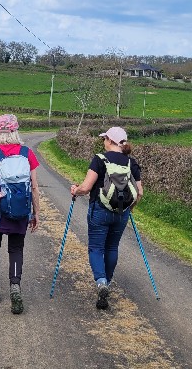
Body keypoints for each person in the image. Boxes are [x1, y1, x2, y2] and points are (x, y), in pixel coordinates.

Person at [70, 126, 143, 310]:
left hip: (99, 210)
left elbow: (86, 188)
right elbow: (139, 192)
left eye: (105, 139)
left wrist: (75, 190)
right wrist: (130, 209)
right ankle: (107, 282)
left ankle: (101, 282)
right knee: (112, 247)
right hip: (121, 213)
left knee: (96, 248)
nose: (103, 141)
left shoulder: (99, 159)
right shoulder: (131, 163)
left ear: (110, 141)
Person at [0, 113, 40, 313]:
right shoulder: (27, 153)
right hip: (21, 210)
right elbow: (34, 187)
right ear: (16, 131)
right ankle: (15, 286)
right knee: (16, 249)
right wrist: (35, 213)